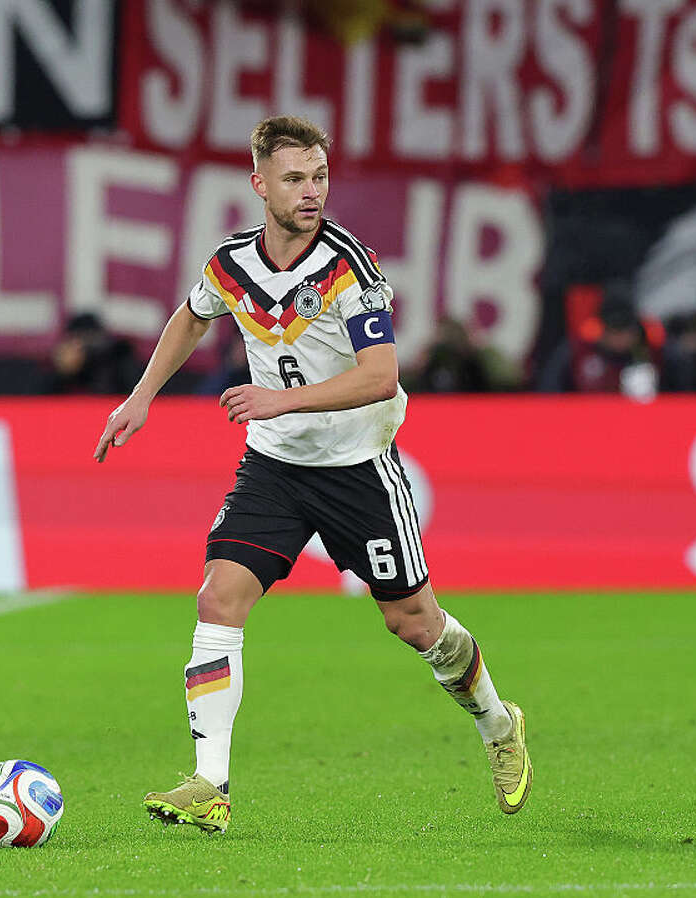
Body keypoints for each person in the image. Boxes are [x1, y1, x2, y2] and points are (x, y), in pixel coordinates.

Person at [93, 115, 532, 834]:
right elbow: (192, 315)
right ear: (260, 183)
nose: (311, 192)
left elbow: (381, 376)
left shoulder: (349, 268)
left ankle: (497, 723)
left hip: (357, 468)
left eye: (320, 177)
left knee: (414, 622)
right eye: (295, 179)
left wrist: (280, 398)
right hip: (274, 466)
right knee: (217, 600)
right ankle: (211, 782)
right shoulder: (232, 263)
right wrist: (141, 396)